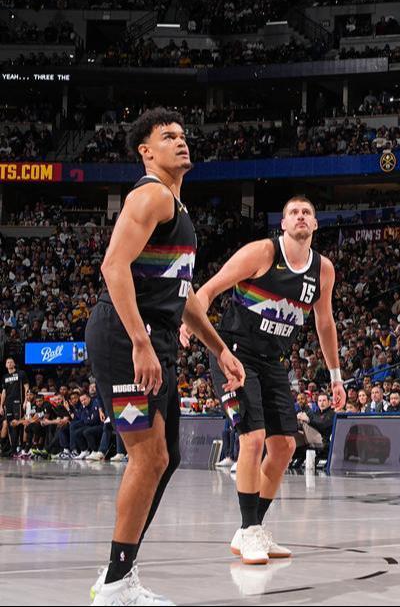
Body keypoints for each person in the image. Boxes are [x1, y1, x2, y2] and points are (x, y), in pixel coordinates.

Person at [88, 108, 245, 606]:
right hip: (125, 335)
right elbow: (113, 266)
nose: (181, 142)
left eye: (183, 135)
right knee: (149, 455)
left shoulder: (176, 208)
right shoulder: (151, 194)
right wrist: (137, 341)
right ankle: (115, 583)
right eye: (168, 137)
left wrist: (219, 349)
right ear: (146, 151)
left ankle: (120, 571)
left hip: (153, 336)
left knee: (167, 456)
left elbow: (186, 294)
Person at [187, 194, 345, 564]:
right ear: (284, 224)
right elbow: (209, 289)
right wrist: (189, 325)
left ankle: (250, 529)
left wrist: (336, 377)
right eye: (294, 212)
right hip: (235, 354)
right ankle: (250, 530)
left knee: (285, 448)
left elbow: (324, 323)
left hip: (273, 361)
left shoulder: (323, 270)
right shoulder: (262, 252)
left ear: (316, 224)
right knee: (253, 439)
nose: (301, 216)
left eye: (308, 212)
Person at [1, 356, 30, 456]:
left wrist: (26, 401)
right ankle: (13, 449)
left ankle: (20, 447)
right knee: (10, 426)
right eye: (7, 362)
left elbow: (26, 387)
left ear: (14, 364)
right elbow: (4, 392)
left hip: (18, 402)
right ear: (5, 365)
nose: (9, 363)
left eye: (11, 362)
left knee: (19, 423)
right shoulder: (4, 377)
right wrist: (1, 405)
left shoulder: (21, 373)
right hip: (7, 404)